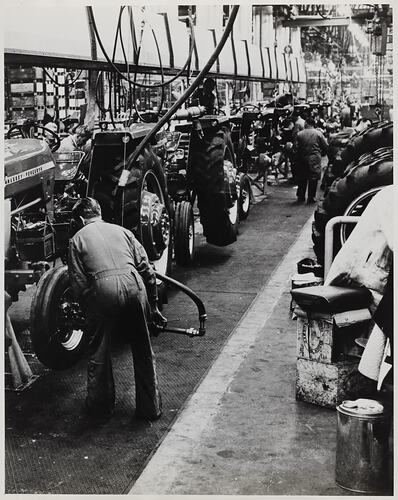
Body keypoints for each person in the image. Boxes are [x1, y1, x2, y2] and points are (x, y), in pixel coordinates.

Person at [68, 197, 166, 421]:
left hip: (103, 290)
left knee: (99, 351)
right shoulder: (123, 231)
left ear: (82, 218)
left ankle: (100, 410)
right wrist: (153, 307)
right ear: (99, 212)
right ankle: (150, 409)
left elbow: (79, 283)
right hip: (135, 286)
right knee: (142, 349)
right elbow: (147, 270)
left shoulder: (76, 240)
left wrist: (90, 316)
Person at [294, 116, 328, 203]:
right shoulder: (318, 134)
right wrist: (321, 153)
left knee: (302, 178)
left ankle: (301, 196)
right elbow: (325, 146)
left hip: (302, 158)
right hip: (314, 159)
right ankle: (311, 197)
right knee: (313, 178)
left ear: (306, 124)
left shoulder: (299, 134)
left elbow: (295, 147)